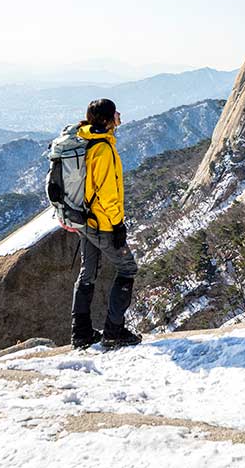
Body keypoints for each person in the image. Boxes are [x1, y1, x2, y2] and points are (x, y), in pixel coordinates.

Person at [70, 98, 142, 349]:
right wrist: (117, 225)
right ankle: (114, 331)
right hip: (102, 222)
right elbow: (108, 194)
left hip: (84, 220)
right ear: (107, 120)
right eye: (115, 112)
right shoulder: (103, 149)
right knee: (127, 269)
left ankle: (80, 333)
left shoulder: (86, 139)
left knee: (87, 273)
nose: (119, 115)